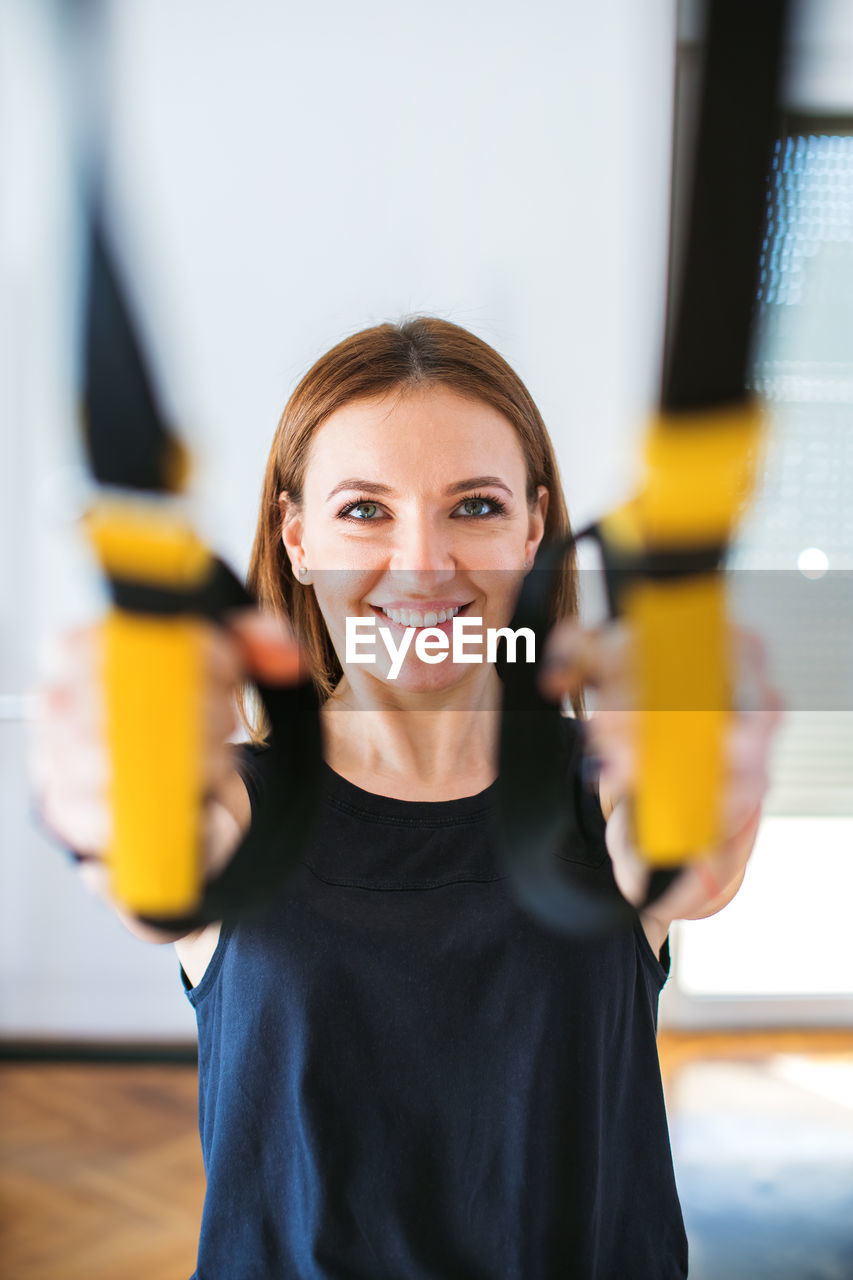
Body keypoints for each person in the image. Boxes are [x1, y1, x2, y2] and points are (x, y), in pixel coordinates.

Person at [30, 317, 779, 1279]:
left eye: (473, 508)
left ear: (533, 528)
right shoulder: (235, 805)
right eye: (364, 511)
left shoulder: (612, 790)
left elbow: (689, 856)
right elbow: (153, 857)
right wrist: (102, 797)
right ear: (296, 538)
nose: (423, 566)